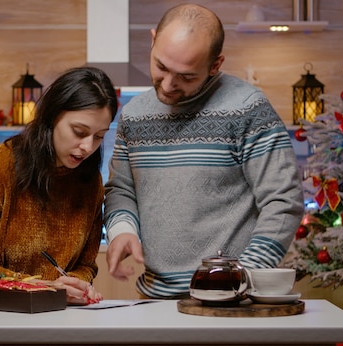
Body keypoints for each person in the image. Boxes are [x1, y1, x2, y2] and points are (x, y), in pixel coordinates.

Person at [104, 4, 304, 299]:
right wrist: (122, 229)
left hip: (232, 303)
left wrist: (243, 279)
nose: (169, 85)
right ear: (153, 39)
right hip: (153, 298)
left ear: (215, 65)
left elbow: (283, 200)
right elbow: (121, 189)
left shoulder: (247, 109)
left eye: (186, 77)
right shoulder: (134, 115)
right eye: (161, 67)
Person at [0, 66, 119, 305]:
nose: (88, 147)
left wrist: (75, 285)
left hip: (53, 312)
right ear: (51, 116)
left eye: (99, 136)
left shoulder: (89, 181)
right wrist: (45, 288)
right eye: (79, 132)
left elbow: (85, 265)